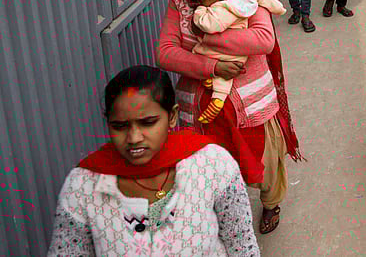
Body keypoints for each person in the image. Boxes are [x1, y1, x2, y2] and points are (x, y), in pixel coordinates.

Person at [160, 0, 303, 234]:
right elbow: (166, 53)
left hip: (250, 102)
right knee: (208, 169)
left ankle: (270, 202)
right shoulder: (179, 3)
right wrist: (212, 65)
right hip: (201, 107)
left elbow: (264, 39)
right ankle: (221, 215)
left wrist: (212, 35)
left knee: (263, 161)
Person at [47, 65, 260, 256]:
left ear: (173, 116)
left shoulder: (212, 164)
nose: (134, 138)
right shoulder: (83, 186)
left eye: (148, 123)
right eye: (119, 126)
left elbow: (241, 244)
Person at [187, 0, 287, 123]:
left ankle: (217, 95)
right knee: (218, 64)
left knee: (208, 56)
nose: (196, 0)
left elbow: (209, 26)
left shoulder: (222, 8)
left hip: (251, 95)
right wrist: (279, 8)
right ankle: (215, 88)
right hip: (236, 57)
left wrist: (199, 16)